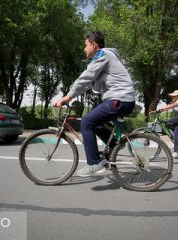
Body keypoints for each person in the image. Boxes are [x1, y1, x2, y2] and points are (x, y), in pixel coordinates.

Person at [54, 31, 136, 177]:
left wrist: (68, 96)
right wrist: (72, 95)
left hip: (119, 99)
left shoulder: (102, 54)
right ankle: (114, 146)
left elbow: (86, 77)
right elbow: (88, 82)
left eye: (85, 45)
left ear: (94, 44)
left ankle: (94, 164)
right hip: (121, 99)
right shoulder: (106, 56)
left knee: (86, 122)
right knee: (95, 123)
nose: (84, 48)